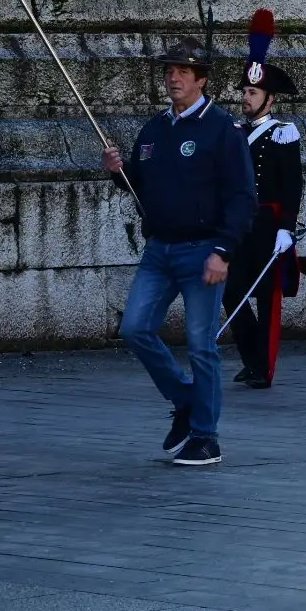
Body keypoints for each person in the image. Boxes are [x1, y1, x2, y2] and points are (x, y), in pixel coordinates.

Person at [104, 37, 255, 467]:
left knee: (200, 344)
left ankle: (206, 436)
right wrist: (119, 172)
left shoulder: (222, 129)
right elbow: (141, 184)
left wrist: (223, 250)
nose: (174, 78)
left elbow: (242, 196)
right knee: (135, 328)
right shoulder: (155, 127)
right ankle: (185, 398)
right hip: (160, 249)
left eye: (183, 72)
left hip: (203, 248)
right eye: (170, 71)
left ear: (201, 80)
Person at [226, 10, 303, 390]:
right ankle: (252, 356)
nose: (246, 98)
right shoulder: (234, 131)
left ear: (269, 99)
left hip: (269, 226)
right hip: (239, 224)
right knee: (231, 293)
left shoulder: (283, 133)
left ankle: (263, 367)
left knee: (267, 299)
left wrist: (286, 228)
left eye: (253, 93)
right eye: (244, 92)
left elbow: (292, 185)